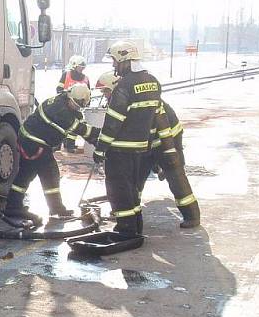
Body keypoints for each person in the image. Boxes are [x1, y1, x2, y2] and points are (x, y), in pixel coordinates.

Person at [93, 41, 170, 235]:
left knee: (118, 190)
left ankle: (126, 228)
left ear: (124, 60)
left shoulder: (124, 86)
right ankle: (136, 224)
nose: (113, 66)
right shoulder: (153, 81)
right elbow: (156, 115)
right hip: (140, 148)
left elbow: (113, 122)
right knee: (132, 189)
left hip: (119, 149)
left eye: (115, 61)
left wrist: (100, 149)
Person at [5, 83, 99, 223]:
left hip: (30, 139)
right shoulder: (61, 112)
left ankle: (13, 206)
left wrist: (94, 140)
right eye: (74, 104)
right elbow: (81, 129)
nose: (75, 107)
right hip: (35, 143)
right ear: (69, 97)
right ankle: (55, 208)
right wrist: (102, 134)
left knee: (26, 174)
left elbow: (79, 122)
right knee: (49, 173)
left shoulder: (62, 100)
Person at [148, 100, 201, 228]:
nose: (105, 96)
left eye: (106, 92)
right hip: (161, 138)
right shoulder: (129, 94)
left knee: (176, 175)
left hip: (169, 136)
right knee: (169, 167)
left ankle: (192, 216)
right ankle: (163, 169)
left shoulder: (131, 96)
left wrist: (169, 157)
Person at [57, 55, 91, 152]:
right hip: (65, 105)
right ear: (74, 66)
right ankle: (57, 144)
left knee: (75, 125)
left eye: (83, 67)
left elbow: (88, 93)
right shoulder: (66, 75)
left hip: (77, 107)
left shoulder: (86, 78)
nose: (82, 69)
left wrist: (87, 103)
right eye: (80, 66)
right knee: (61, 125)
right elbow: (59, 89)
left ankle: (70, 145)